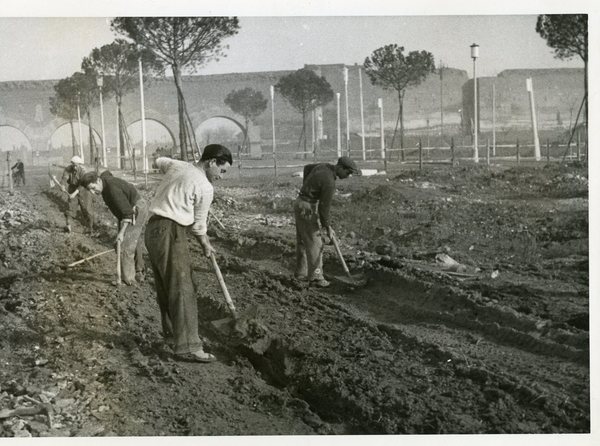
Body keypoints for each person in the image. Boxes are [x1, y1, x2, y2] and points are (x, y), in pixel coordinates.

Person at [145, 144, 232, 363]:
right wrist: (205, 244)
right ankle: (188, 346)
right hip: (171, 231)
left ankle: (173, 336)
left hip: (152, 230)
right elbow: (199, 226)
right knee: (183, 288)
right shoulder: (205, 186)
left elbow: (159, 161)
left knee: (167, 286)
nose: (222, 176)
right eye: (222, 170)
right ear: (212, 162)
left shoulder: (177, 165)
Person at [294, 156, 361, 287]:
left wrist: (306, 187)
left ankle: (301, 274)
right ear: (340, 167)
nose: (348, 176)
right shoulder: (329, 182)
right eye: (347, 173)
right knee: (316, 242)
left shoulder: (324, 166)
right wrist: (327, 227)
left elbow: (307, 168)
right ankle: (316, 277)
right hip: (307, 206)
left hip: (300, 203)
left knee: (303, 240)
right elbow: (324, 209)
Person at [80, 170, 148, 285]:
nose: (92, 192)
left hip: (135, 210)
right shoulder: (104, 182)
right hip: (128, 210)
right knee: (131, 240)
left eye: (93, 187)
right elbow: (107, 173)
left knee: (125, 245)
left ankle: (128, 280)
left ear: (98, 181)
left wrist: (121, 233)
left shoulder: (112, 190)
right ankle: (139, 271)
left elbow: (128, 214)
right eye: (89, 190)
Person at [59, 156, 95, 234]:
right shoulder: (68, 169)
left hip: (84, 190)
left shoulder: (83, 170)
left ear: (80, 164)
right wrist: (62, 185)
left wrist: (74, 193)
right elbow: (64, 177)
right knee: (70, 207)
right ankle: (68, 225)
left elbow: (82, 184)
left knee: (87, 209)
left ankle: (90, 229)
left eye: (76, 165)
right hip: (72, 187)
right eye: (73, 165)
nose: (74, 167)